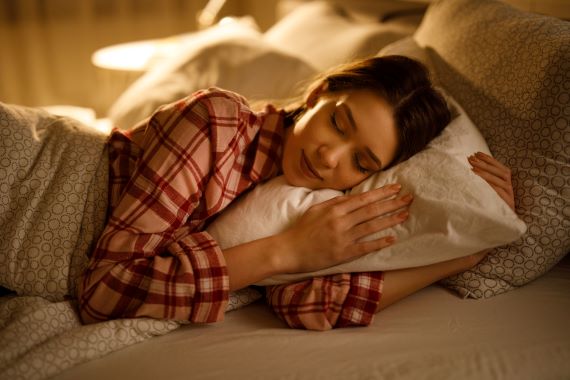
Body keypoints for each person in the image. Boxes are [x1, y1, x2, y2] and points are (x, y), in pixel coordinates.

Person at [78, 55, 515, 330]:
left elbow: (314, 305)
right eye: (339, 124)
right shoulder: (219, 122)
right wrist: (287, 251)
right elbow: (105, 292)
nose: (329, 158)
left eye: (361, 162)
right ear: (317, 95)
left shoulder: (314, 202)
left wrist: (465, 251)